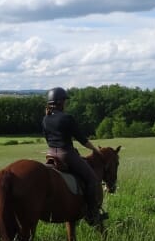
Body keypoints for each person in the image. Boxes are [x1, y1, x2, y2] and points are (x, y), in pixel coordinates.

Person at [42, 87, 107, 225]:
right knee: (92, 179)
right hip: (66, 155)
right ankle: (92, 213)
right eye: (65, 101)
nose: (66, 103)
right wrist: (95, 150)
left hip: (51, 154)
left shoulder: (45, 119)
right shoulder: (67, 118)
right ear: (60, 102)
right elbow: (82, 139)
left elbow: (47, 139)